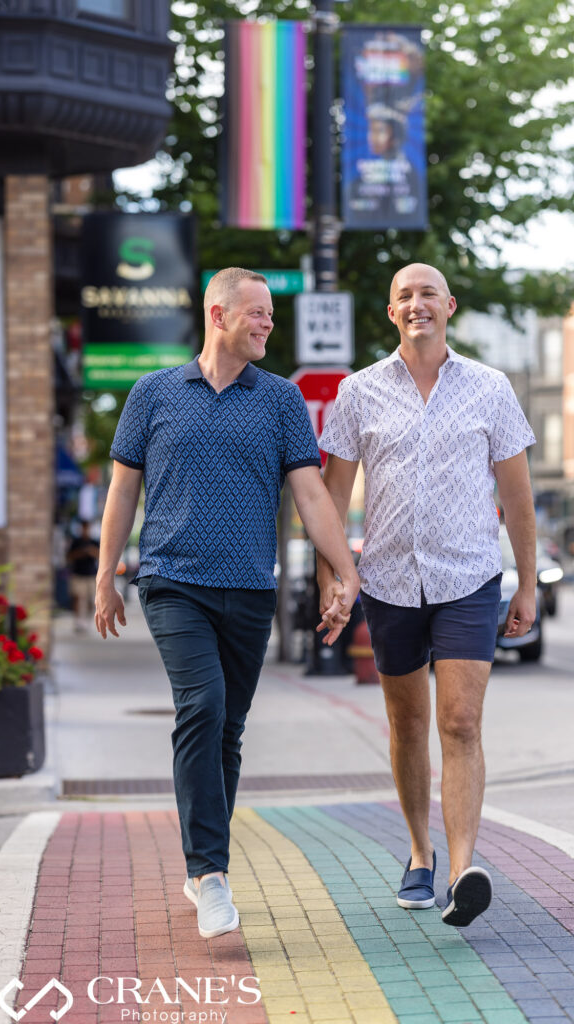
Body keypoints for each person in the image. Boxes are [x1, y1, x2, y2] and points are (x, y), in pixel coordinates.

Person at [95, 268, 359, 939]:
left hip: (249, 588)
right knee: (203, 706)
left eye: (271, 315)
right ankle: (210, 872)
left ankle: (201, 866)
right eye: (258, 313)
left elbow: (309, 495)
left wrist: (343, 569)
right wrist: (105, 575)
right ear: (219, 314)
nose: (269, 323)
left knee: (228, 732)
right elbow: (123, 490)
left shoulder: (278, 401)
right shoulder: (152, 394)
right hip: (172, 580)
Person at [317, 263, 536, 928]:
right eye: (404, 296)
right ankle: (419, 854)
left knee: (460, 722)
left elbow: (517, 495)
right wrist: (335, 573)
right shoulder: (358, 393)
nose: (417, 305)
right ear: (392, 313)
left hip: (468, 576)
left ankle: (465, 866)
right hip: (387, 580)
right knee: (408, 724)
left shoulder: (490, 389)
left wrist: (526, 580)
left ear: (449, 306)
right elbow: (330, 495)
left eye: (427, 295)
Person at [67, 520, 100, 632]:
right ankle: (78, 621)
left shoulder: (94, 542)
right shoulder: (76, 542)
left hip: (91, 574)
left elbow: (100, 555)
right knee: (78, 597)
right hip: (78, 573)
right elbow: (69, 557)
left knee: (91, 599)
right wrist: (81, 553)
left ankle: (87, 620)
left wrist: (91, 551)